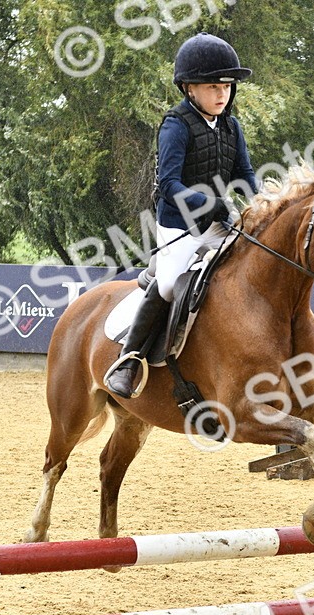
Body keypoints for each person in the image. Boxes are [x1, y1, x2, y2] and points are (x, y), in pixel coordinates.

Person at [106, 32, 259, 398]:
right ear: (189, 88)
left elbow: (245, 174)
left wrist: (264, 204)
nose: (222, 93)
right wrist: (209, 203)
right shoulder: (175, 124)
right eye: (212, 86)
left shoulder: (231, 126)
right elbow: (169, 184)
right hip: (179, 225)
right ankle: (129, 360)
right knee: (171, 286)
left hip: (219, 223)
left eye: (226, 85)